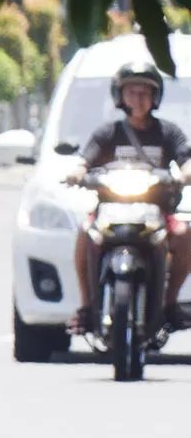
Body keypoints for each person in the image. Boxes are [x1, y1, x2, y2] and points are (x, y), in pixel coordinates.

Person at [68, 58, 191, 333]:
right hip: (110, 212)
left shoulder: (168, 132)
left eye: (145, 92)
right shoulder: (107, 132)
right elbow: (84, 160)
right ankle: (87, 307)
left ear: (155, 96)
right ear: (119, 96)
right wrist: (77, 173)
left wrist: (184, 175)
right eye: (132, 91)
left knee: (185, 235)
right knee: (85, 232)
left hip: (155, 213)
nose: (139, 98)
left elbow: (186, 160)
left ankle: (169, 304)